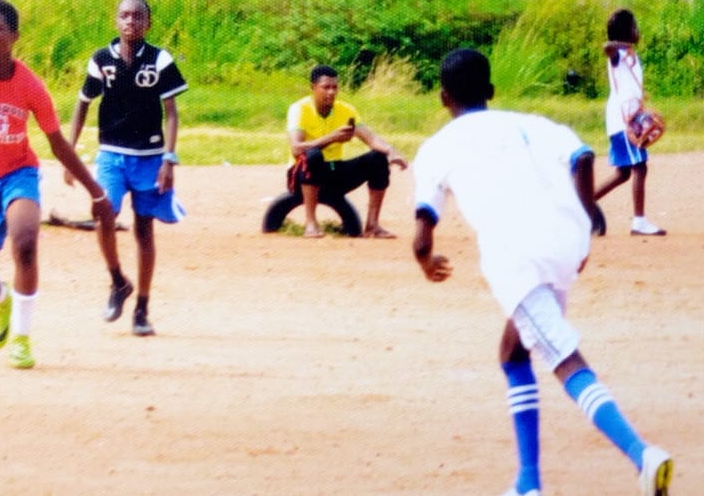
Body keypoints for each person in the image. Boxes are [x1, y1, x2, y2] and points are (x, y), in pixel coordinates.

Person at [412, 48, 672, 496]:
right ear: (491, 91)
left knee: (561, 357)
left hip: (517, 257)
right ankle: (527, 482)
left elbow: (422, 230)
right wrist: (585, 222)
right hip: (566, 242)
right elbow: (583, 157)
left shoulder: (437, 147)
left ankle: (641, 455)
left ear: (442, 97)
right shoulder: (530, 124)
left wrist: (425, 259)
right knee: (513, 352)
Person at [0, 0, 112, 370]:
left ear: (14, 37)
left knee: (25, 242)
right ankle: (1, 303)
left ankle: (22, 339)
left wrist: (97, 192)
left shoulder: (29, 85)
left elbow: (57, 143)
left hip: (17, 174)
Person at [65, 0, 186, 337]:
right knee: (103, 212)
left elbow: (171, 113)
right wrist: (69, 153)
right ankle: (118, 280)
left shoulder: (159, 60)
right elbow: (83, 105)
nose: (130, 21)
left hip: (150, 157)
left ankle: (142, 308)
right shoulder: (102, 59)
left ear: (148, 23)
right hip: (111, 154)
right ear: (116, 21)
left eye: (137, 16)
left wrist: (169, 159)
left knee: (144, 230)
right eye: (124, 15)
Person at [285, 64, 408, 238]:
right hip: (301, 176)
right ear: (313, 87)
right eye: (326, 87)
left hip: (333, 172)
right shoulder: (299, 109)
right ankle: (311, 223)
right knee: (312, 155)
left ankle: (372, 225)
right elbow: (296, 148)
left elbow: (371, 139)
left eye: (335, 87)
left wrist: (391, 151)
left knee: (378, 158)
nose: (331, 92)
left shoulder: (346, 110)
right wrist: (332, 137)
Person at [592, 9, 665, 236]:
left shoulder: (630, 54)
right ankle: (639, 222)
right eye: (634, 27)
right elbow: (607, 48)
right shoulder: (618, 55)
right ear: (626, 33)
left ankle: (584, 203)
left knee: (624, 173)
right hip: (623, 123)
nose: (638, 31)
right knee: (640, 167)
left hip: (627, 121)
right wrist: (618, 45)